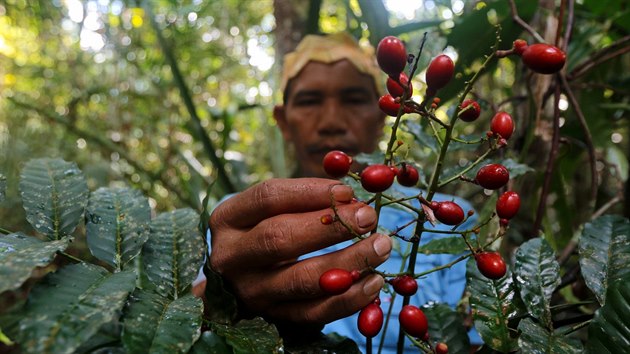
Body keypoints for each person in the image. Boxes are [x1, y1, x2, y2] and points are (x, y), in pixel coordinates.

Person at [195, 32, 481, 352]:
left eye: (354, 99)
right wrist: (222, 298)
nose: (331, 121)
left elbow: (474, 339)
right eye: (309, 101)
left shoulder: (446, 216)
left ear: (383, 115)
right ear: (284, 121)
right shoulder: (234, 220)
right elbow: (184, 327)